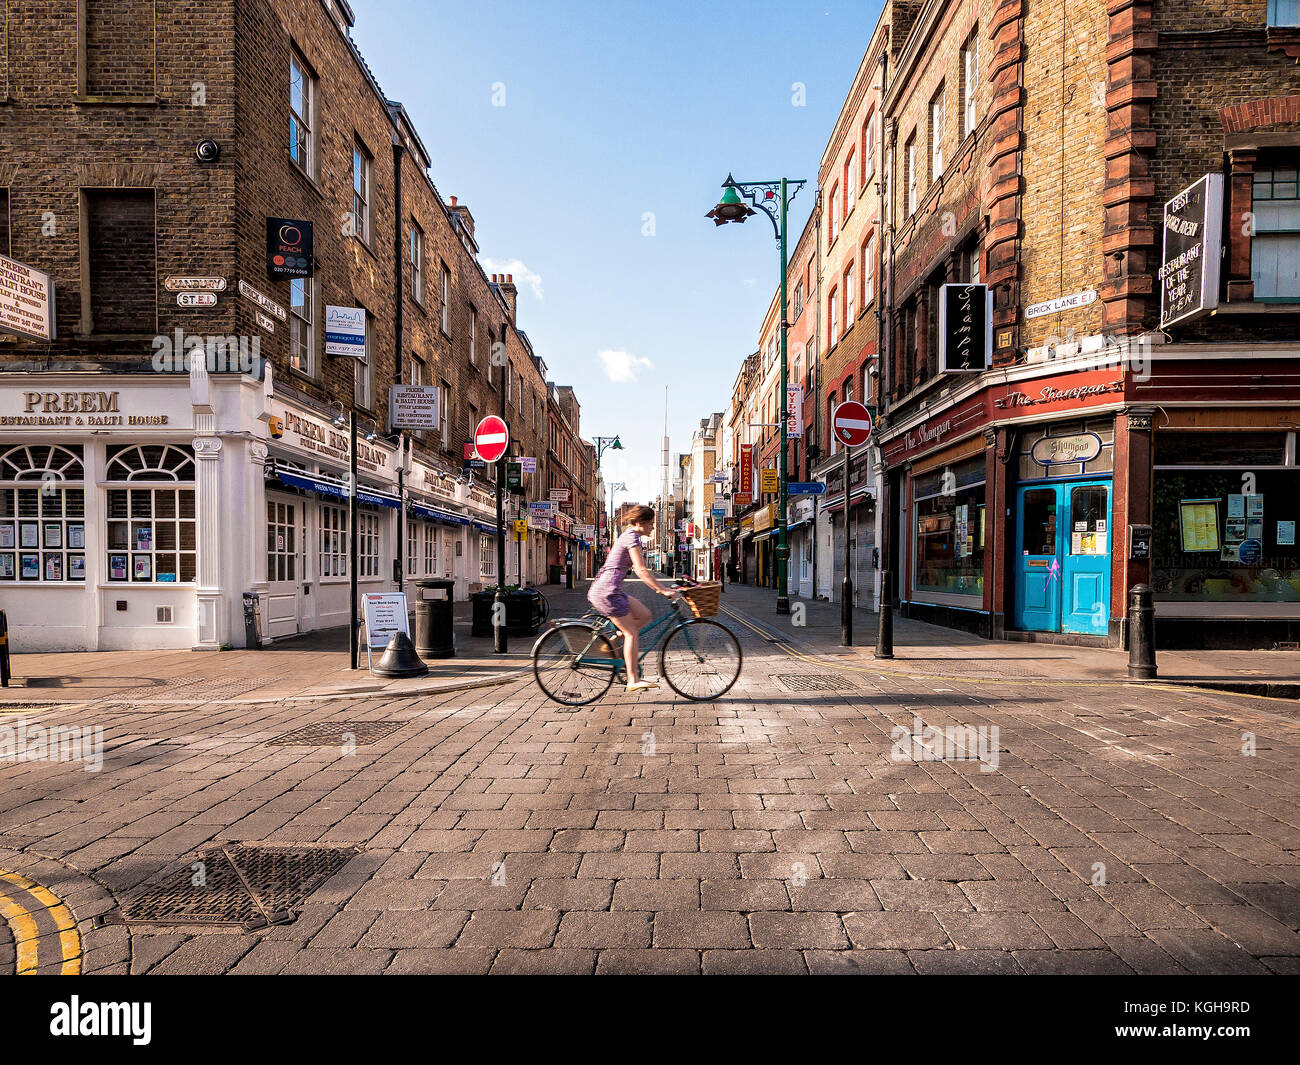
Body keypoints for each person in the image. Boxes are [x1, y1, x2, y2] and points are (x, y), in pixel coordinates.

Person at [588, 504, 678, 693]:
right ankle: (633, 679)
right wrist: (662, 590)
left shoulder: (631, 536)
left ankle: (613, 641)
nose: (653, 527)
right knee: (631, 633)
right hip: (607, 592)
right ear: (639, 523)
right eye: (650, 523)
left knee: (645, 615)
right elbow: (641, 570)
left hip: (611, 589)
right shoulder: (631, 537)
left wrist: (662, 588)